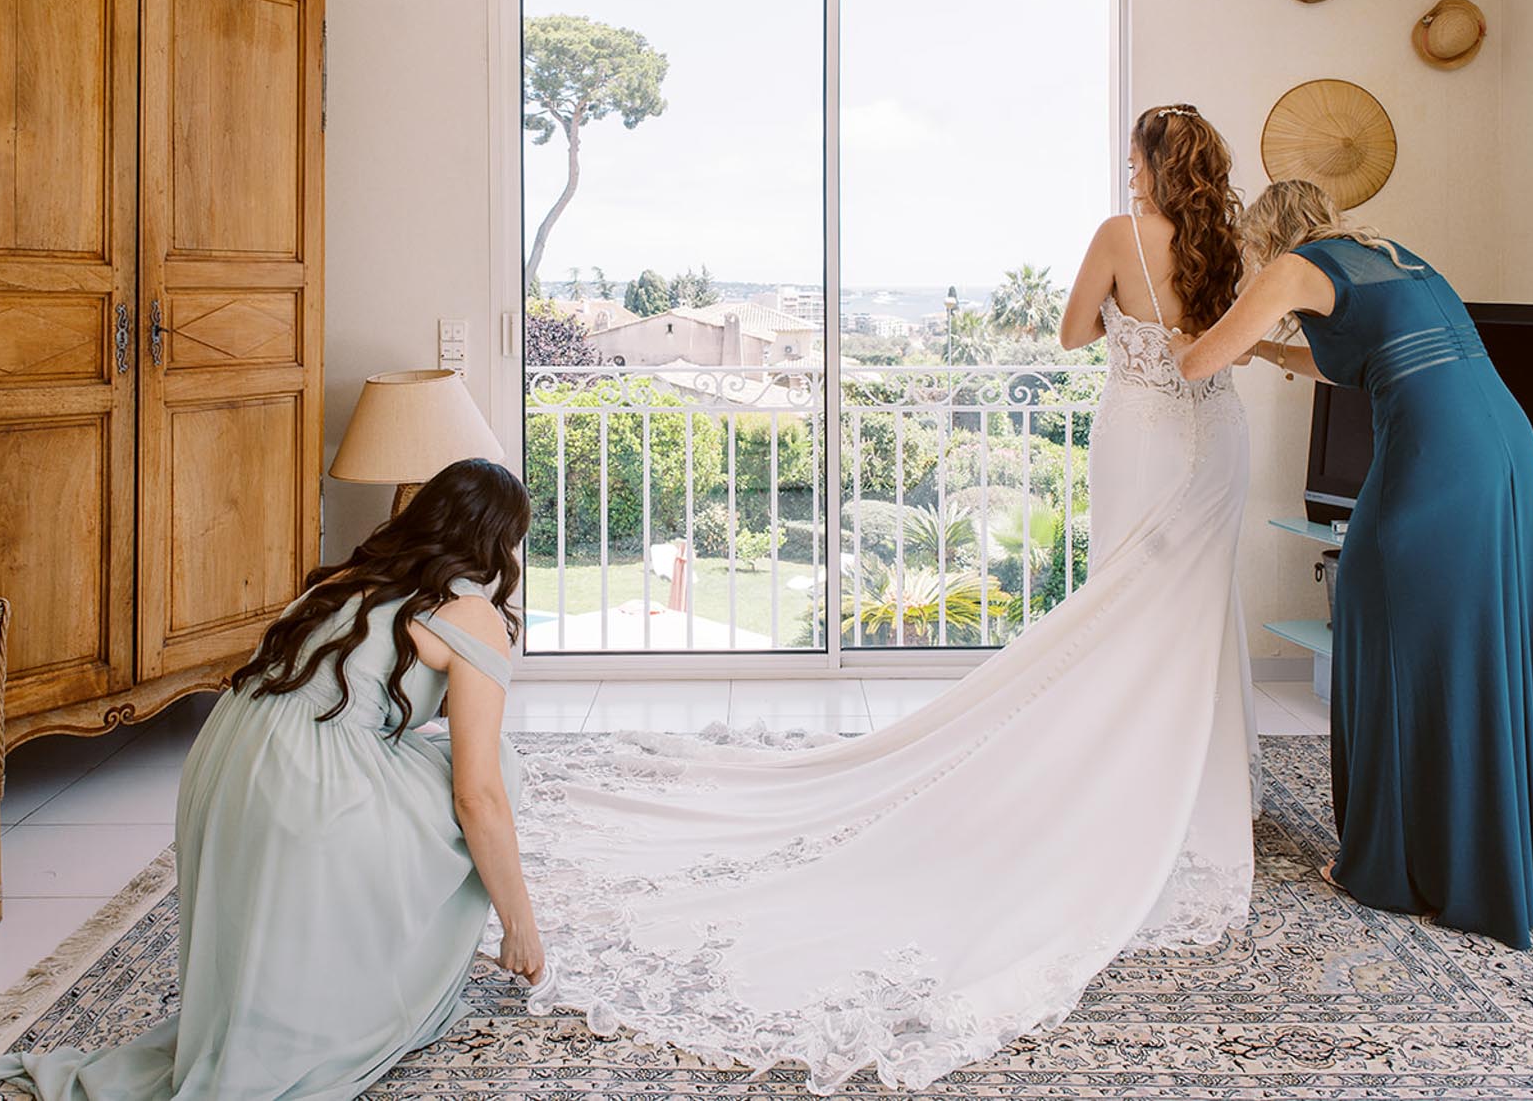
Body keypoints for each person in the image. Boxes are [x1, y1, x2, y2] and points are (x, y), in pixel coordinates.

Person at [512, 105, 1257, 1094]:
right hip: (1217, 444)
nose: (1124, 173)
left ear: (1150, 164)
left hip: (1140, 436)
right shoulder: (1222, 243)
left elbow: (1075, 330)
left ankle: (1101, 769)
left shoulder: (1117, 236)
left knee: (1116, 615)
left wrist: (1126, 320)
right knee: (1182, 623)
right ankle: (1180, 805)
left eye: (1130, 159)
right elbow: (1228, 347)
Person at [0, 457, 542, 1100]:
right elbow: (479, 796)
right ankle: (378, 986)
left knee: (428, 780)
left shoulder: (348, 578)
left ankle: (309, 978)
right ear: (501, 542)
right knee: (496, 770)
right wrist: (517, 921)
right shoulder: (472, 613)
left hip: (225, 761)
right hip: (302, 782)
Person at [1170, 178, 1533, 949]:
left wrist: (1184, 341)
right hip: (1504, 448)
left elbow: (1198, 361)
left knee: (1379, 628)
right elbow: (1366, 364)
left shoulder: (1294, 266)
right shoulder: (1390, 257)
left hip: (1438, 458)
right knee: (1466, 639)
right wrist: (1275, 353)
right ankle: (1469, 853)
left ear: (1269, 237)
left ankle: (1388, 863)